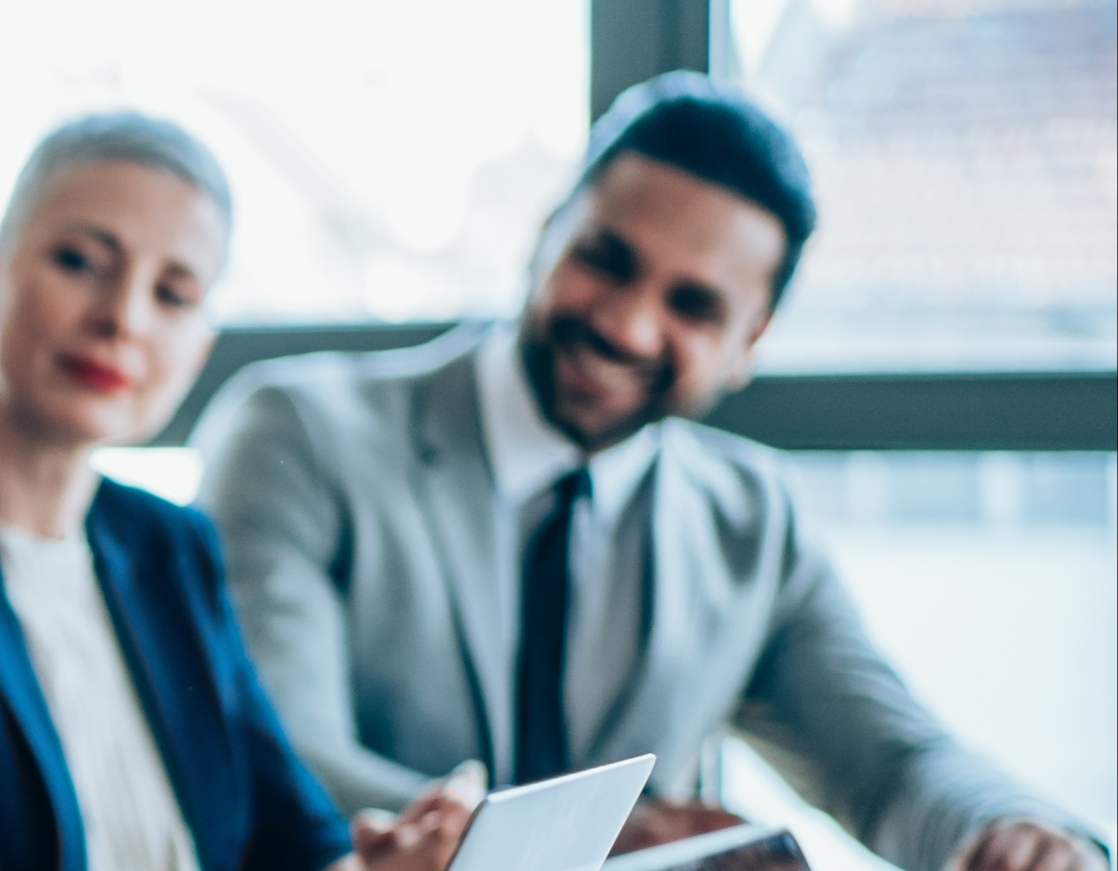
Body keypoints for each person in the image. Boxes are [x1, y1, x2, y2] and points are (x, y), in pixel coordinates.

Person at [195, 74, 1108, 871]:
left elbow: (892, 766)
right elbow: (279, 755)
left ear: (749, 344)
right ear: (548, 232)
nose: (628, 326)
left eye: (693, 305)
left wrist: (1022, 832)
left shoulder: (751, 521)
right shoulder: (299, 434)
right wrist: (593, 843)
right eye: (606, 260)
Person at [0, 114, 470, 871]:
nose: (122, 319)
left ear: (198, 346)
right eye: (79, 262)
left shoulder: (170, 548)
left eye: (173, 295)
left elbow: (294, 839)